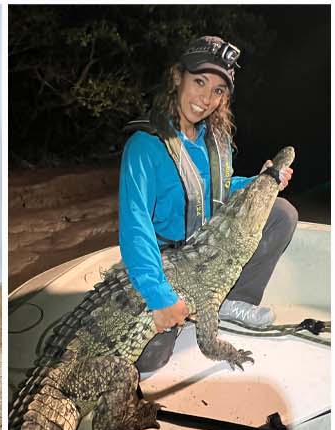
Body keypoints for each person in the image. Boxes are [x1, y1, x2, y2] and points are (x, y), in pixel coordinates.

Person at [119, 36, 295, 373]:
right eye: (199, 82)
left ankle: (232, 300)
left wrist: (257, 181)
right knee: (148, 360)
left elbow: (217, 189)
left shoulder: (216, 139)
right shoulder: (145, 146)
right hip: (169, 263)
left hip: (208, 248)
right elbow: (135, 226)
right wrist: (159, 297)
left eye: (217, 90)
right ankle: (187, 303)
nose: (206, 98)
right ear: (177, 78)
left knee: (281, 214)